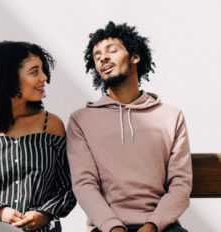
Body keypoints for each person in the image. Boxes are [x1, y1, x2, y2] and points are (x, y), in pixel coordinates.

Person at [67, 21, 192, 232]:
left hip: (161, 227)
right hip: (107, 228)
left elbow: (180, 184)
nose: (103, 58)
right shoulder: (81, 120)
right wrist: (113, 227)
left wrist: (153, 225)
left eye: (111, 51)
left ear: (135, 56)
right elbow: (84, 185)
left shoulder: (171, 117)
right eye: (97, 56)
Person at [0, 41, 76, 232]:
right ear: (8, 78)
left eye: (43, 70)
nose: (44, 78)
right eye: (34, 72)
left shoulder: (51, 126)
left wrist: (44, 214)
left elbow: (67, 188)